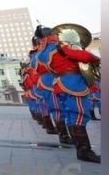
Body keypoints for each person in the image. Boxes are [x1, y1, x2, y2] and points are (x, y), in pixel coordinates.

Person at [44, 27, 102, 163]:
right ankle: (84, 151)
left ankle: (80, 149)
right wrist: (96, 59)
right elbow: (83, 56)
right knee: (79, 115)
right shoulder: (61, 47)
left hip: (60, 83)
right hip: (72, 84)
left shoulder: (46, 51)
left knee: (71, 117)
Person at [33, 28, 71, 143]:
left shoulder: (39, 53)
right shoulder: (52, 49)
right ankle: (63, 136)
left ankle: (64, 134)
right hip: (51, 82)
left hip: (53, 81)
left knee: (62, 108)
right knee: (58, 109)